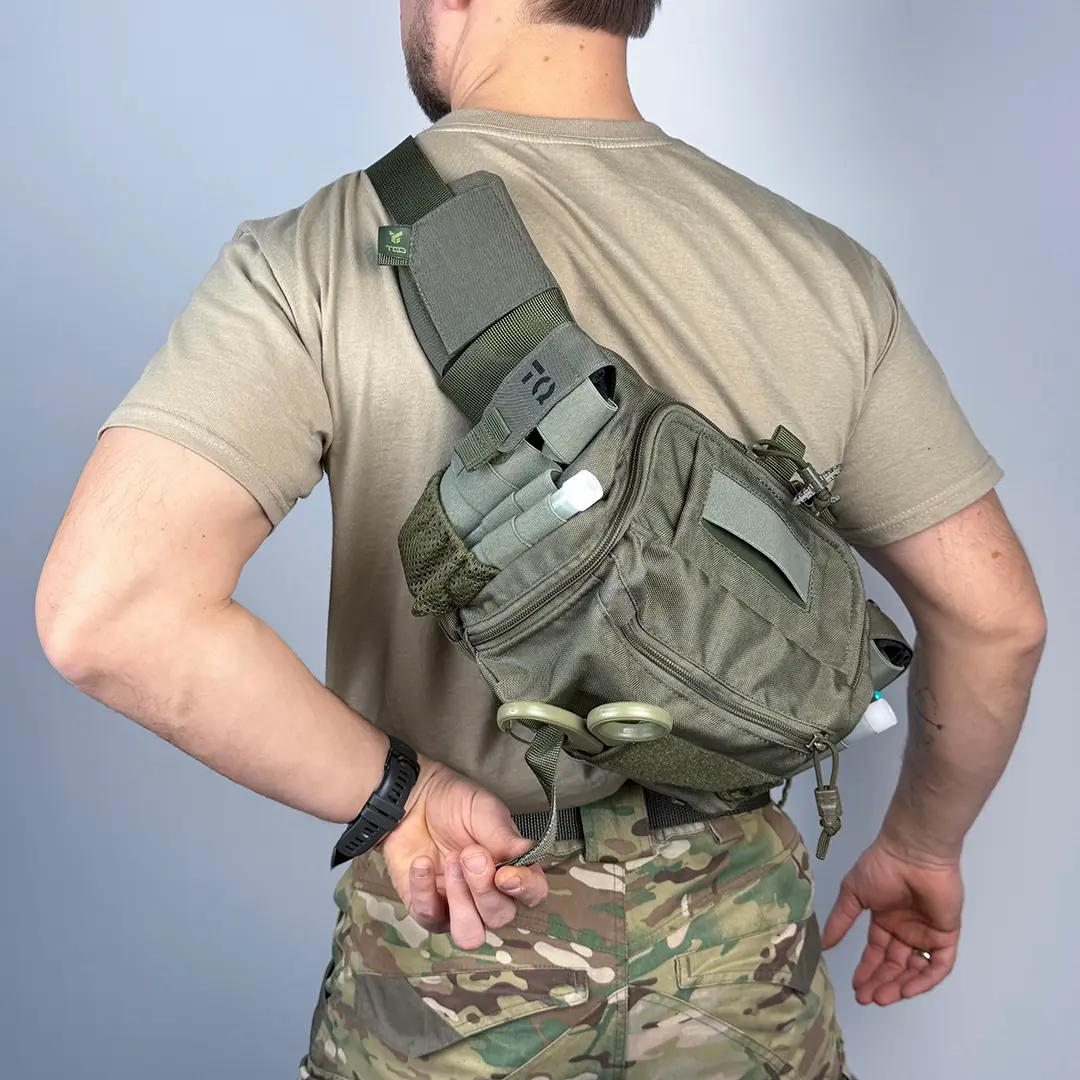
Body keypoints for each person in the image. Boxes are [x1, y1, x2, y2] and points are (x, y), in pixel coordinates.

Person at [35, 1, 1046, 1077]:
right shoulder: (823, 273)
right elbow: (998, 622)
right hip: (740, 959)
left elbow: (110, 611)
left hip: (464, 928)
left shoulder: (324, 254)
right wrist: (921, 843)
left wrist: (404, 796)